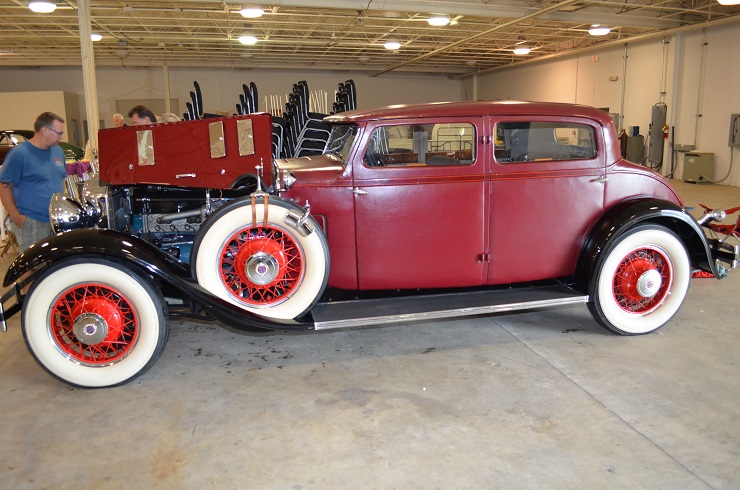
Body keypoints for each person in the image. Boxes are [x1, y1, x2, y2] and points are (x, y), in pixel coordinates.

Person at [0, 112, 68, 252]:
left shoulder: (58, 151)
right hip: (32, 221)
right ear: (45, 130)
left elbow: (60, 180)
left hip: (56, 220)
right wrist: (17, 217)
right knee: (31, 267)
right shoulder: (19, 154)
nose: (61, 137)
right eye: (59, 133)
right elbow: (4, 186)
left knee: (53, 267)